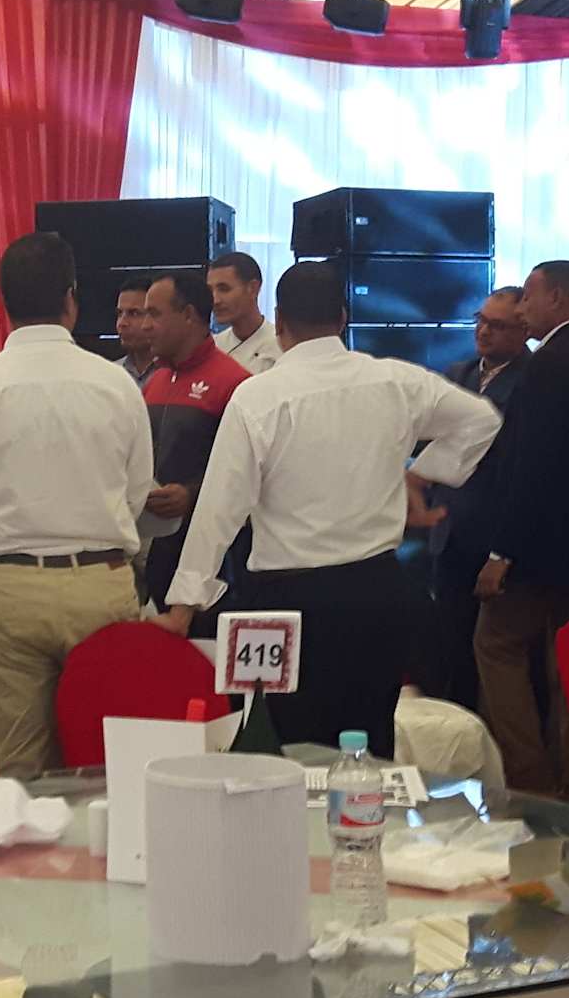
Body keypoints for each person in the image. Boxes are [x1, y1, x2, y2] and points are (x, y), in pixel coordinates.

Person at [153, 262, 501, 751]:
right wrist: (420, 474)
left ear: (280, 321)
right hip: (377, 591)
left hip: (284, 601)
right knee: (370, 742)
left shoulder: (258, 397)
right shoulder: (395, 381)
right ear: (342, 317)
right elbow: (482, 420)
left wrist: (183, 605)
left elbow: (219, 508)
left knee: (288, 746)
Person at [0, 236, 155, 775]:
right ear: (70, 299)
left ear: (3, 303)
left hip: (5, 584)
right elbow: (135, 494)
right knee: (106, 758)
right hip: (100, 581)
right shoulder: (116, 384)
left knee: (16, 765)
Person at [465, 260, 569, 796]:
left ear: (557, 298)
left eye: (528, 297)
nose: (521, 309)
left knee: (496, 645)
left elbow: (531, 468)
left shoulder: (545, 369)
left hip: (537, 549)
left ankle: (527, 778)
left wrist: (501, 553)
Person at [423, 288, 531, 707]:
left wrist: (503, 552)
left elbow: (519, 468)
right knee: (448, 645)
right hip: (449, 527)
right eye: (480, 320)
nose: (484, 331)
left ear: (523, 330)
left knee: (496, 655)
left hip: (495, 535)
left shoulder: (533, 380)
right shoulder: (458, 373)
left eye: (497, 325)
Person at [135, 269, 251, 616]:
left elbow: (249, 473)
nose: (145, 326)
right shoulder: (155, 381)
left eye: (154, 314)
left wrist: (191, 494)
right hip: (154, 554)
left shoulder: (236, 383)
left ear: (188, 315)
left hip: (216, 566)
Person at [207, 250, 282, 375]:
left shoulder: (280, 346)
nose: (215, 300)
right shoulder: (214, 346)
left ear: (253, 288)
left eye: (224, 289)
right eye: (210, 291)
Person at [115, 274, 158, 384]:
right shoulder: (110, 374)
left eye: (134, 313)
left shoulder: (176, 374)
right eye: (119, 313)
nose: (122, 323)